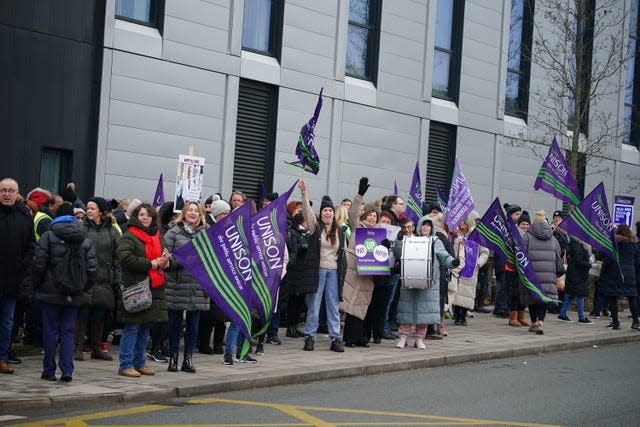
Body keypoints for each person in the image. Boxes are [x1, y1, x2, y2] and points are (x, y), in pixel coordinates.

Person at [31, 203, 97, 381]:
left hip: (50, 292)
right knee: (68, 331)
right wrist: (83, 288)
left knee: (50, 331)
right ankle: (67, 370)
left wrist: (38, 285)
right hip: (74, 293)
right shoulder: (85, 239)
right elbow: (92, 269)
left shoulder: (48, 236)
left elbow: (38, 264)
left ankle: (49, 371)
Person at [116, 203, 170, 378]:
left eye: (148, 215)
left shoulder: (158, 236)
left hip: (155, 288)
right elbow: (125, 259)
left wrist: (167, 262)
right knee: (132, 328)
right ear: (135, 217)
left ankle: (139, 363)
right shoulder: (129, 236)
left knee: (145, 328)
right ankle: (126, 364)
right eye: (141, 215)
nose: (145, 218)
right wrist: (150, 264)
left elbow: (169, 255)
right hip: (136, 288)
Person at [394, 215, 458, 349]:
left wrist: (452, 262)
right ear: (419, 226)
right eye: (423, 224)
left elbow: (444, 256)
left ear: (432, 228)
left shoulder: (436, 242)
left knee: (424, 312)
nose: (425, 227)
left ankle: (419, 339)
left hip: (429, 283)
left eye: (428, 225)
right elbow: (399, 253)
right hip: (410, 280)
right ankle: (403, 337)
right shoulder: (411, 240)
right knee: (407, 309)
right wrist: (399, 241)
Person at [299, 179, 347, 352]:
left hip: (334, 272)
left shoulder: (340, 232)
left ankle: (335, 339)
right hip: (317, 271)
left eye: (330, 211)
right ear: (321, 213)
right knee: (314, 305)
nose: (328, 213)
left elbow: (343, 255)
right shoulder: (315, 227)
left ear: (334, 214)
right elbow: (306, 211)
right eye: (325, 210)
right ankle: (309, 337)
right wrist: (304, 193)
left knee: (333, 306)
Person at [164, 201, 210, 373]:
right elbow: (165, 257)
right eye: (189, 210)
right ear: (184, 213)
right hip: (177, 284)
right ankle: (173, 358)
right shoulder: (173, 232)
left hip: (198, 285)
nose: (192, 213)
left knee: (193, 325)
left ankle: (188, 359)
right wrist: (182, 261)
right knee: (175, 324)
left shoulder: (207, 233)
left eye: (196, 211)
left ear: (200, 214)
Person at [76, 197, 120, 362]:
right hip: (85, 278)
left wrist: (116, 279)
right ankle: (78, 348)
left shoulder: (112, 231)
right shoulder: (81, 229)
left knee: (99, 314)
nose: (88, 211)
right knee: (82, 313)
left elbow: (117, 258)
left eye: (92, 208)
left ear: (101, 211)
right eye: (88, 208)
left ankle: (96, 348)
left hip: (104, 279)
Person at [0, 178, 35, 374]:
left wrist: (22, 266)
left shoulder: (24, 218)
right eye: (3, 190)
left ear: (17, 193)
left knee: (7, 322)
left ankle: (2, 358)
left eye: (10, 190)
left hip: (13, 280)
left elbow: (31, 246)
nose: (6, 194)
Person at [521, 210, 560, 335]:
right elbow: (558, 254)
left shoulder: (527, 236)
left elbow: (522, 254)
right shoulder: (553, 238)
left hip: (532, 273)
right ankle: (541, 323)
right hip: (549, 274)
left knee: (533, 298)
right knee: (544, 299)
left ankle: (533, 323)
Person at [449, 212, 489, 326]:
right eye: (460, 222)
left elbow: (485, 253)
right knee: (457, 292)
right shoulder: (458, 235)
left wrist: (478, 264)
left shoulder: (477, 236)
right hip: (459, 268)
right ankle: (457, 315)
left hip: (471, 269)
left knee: (467, 293)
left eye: (464, 222)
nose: (461, 225)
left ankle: (463, 315)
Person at [599, 224, 639, 330]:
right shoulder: (633, 245)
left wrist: (602, 275)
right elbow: (636, 261)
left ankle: (615, 323)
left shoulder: (613, 245)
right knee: (632, 297)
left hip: (615, 273)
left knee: (612, 297)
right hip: (630, 274)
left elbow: (607, 261)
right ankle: (636, 321)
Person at [557, 235, 593, 324]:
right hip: (577, 275)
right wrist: (589, 264)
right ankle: (581, 317)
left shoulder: (575, 244)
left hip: (575, 274)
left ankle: (562, 314)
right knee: (580, 295)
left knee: (572, 295)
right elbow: (579, 261)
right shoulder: (578, 246)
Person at [285, 213, 310, 338]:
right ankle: (290, 327)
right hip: (295, 271)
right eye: (306, 220)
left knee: (300, 301)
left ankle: (295, 326)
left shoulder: (308, 233)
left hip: (304, 271)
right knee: (293, 301)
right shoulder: (294, 232)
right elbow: (295, 248)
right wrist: (306, 245)